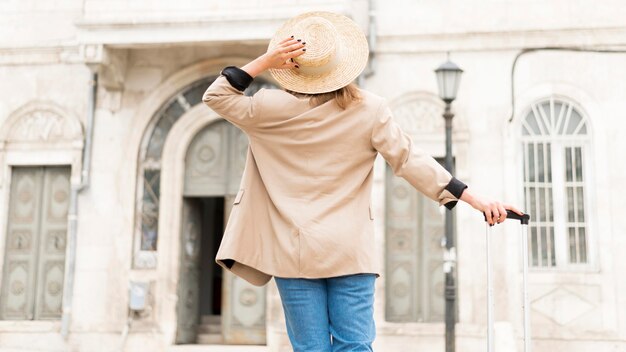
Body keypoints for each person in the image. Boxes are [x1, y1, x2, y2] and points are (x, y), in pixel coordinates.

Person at [202, 11, 522, 352]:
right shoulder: (369, 109)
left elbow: (216, 96)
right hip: (349, 249)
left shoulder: (267, 109)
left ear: (292, 66)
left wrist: (266, 60)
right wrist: (475, 199)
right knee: (354, 346)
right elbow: (410, 160)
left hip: (291, 251)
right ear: (342, 64)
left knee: (310, 348)